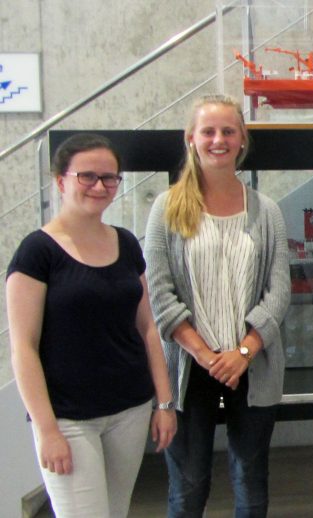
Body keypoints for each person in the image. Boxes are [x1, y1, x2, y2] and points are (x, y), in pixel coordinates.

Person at [6, 133, 177, 518]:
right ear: (61, 181)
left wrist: (164, 403)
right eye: (87, 176)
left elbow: (147, 328)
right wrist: (47, 430)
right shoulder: (37, 252)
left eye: (110, 178)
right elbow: (23, 348)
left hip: (129, 410)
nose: (100, 186)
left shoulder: (126, 244)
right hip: (68, 418)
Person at [144, 94, 290, 518]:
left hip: (252, 364)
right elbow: (160, 293)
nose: (218, 140)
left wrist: (243, 352)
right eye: (208, 131)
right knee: (188, 490)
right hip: (191, 369)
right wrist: (208, 356)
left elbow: (278, 292)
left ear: (242, 139)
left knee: (251, 484)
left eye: (228, 131)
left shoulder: (267, 212)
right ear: (191, 138)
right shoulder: (166, 209)